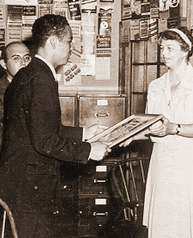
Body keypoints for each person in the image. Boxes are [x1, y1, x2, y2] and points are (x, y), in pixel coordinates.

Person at [0, 14, 111, 238]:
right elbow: (44, 141)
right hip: (30, 191)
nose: (72, 46)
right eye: (69, 40)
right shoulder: (40, 79)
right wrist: (89, 150)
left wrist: (83, 133)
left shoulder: (28, 74)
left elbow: (38, 127)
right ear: (53, 42)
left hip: (21, 185)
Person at [124, 27, 193, 238]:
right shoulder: (156, 85)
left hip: (191, 164)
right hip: (163, 163)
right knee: (165, 223)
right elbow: (152, 128)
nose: (164, 53)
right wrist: (129, 136)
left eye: (170, 48)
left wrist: (174, 128)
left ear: (186, 50)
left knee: (191, 223)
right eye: (162, 48)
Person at [0, 42, 31, 151]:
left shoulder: (34, 88)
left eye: (27, 58)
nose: (23, 63)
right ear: (4, 64)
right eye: (16, 58)